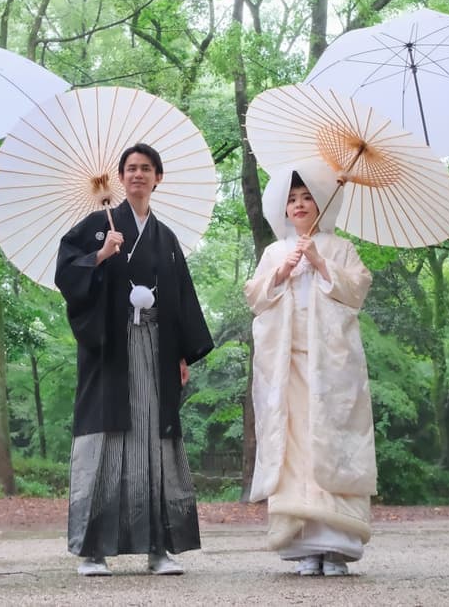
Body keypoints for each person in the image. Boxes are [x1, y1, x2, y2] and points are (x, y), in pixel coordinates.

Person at [55, 142, 215, 577]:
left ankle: (158, 547)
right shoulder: (96, 225)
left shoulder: (165, 238)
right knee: (106, 440)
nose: (138, 175)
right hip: (111, 347)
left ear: (158, 178)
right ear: (121, 178)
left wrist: (182, 352)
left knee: (154, 441)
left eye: (146, 168)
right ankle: (93, 550)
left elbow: (181, 297)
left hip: (157, 348)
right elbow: (67, 274)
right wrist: (100, 255)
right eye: (131, 169)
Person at [244, 161, 375, 577]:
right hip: (286, 368)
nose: (299, 205)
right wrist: (282, 271)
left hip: (331, 369)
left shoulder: (340, 248)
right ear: (284, 208)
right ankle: (303, 546)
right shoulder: (273, 252)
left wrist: (321, 262)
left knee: (329, 443)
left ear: (321, 204)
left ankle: (335, 547)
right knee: (293, 446)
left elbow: (356, 291)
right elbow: (255, 298)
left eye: (307, 198)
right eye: (292, 199)